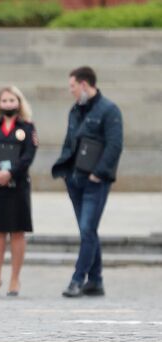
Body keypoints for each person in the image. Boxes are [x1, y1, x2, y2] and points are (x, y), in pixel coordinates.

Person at [52, 66, 123, 298]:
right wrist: (63, 171)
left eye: (72, 86)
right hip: (74, 180)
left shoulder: (109, 110)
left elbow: (115, 145)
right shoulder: (75, 110)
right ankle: (96, 281)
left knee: (87, 230)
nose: (70, 91)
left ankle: (77, 280)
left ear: (84, 84)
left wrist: (98, 173)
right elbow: (68, 141)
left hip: (95, 182)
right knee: (88, 231)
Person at [0, 86, 37, 297]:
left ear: (19, 103)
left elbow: (28, 156)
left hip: (17, 185)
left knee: (18, 232)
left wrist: (10, 173)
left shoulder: (27, 128)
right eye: (5, 101)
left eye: (12, 100)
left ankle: (14, 279)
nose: (8, 104)